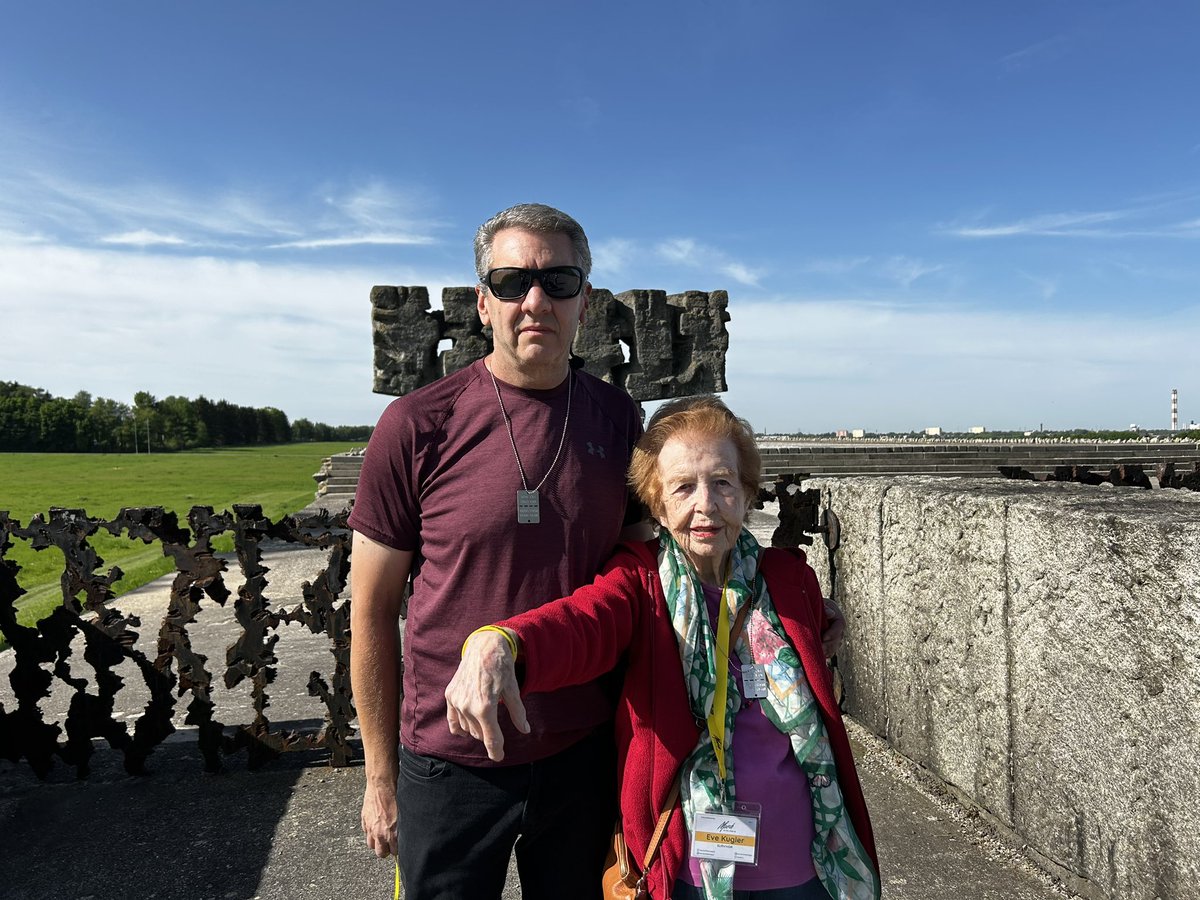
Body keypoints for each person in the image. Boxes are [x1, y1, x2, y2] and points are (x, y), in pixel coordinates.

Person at [446, 396, 881, 900]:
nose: (706, 505)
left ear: (745, 493)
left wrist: (827, 615)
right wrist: (503, 641)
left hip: (807, 860)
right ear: (656, 502)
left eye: (723, 482)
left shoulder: (789, 578)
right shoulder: (638, 579)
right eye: (683, 488)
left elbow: (808, 638)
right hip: (690, 866)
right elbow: (584, 623)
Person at [347, 203, 646, 899]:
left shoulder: (617, 418)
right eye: (511, 282)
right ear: (484, 305)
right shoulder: (417, 424)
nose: (534, 300)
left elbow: (641, 577)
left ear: (586, 303)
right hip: (448, 760)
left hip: (580, 749)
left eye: (558, 281)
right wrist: (380, 780)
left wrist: (776, 611)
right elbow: (371, 612)